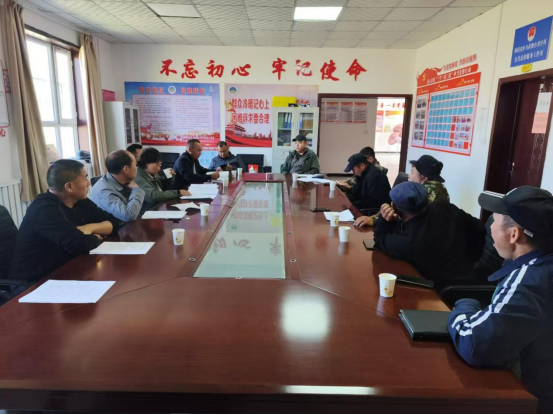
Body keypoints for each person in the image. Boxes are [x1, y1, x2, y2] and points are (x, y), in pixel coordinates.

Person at [448, 187, 553, 414]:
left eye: (494, 221)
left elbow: (475, 343)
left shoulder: (529, 281)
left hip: (532, 400)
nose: (490, 228)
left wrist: (464, 306)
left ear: (514, 234)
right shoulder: (542, 264)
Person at [9, 160, 121, 293]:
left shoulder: (80, 201)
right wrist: (97, 236)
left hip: (63, 270)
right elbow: (80, 245)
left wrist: (90, 228)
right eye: (85, 178)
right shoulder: (44, 210)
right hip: (31, 284)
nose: (88, 183)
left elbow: (115, 222)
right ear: (69, 187)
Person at [374, 181, 485, 290]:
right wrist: (472, 258)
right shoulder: (443, 206)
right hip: (467, 275)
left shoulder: (408, 240)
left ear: (394, 207)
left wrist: (385, 218)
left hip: (440, 290)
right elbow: (479, 227)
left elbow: (379, 240)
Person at [354, 154, 449, 227]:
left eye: (412, 172)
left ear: (424, 178)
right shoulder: (438, 187)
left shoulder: (425, 192)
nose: (409, 176)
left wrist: (373, 219)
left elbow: (401, 210)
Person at [90, 150, 146, 222]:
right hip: (116, 228)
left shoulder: (125, 181)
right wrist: (137, 190)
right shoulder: (103, 191)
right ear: (126, 169)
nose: (137, 168)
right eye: (135, 165)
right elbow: (129, 215)